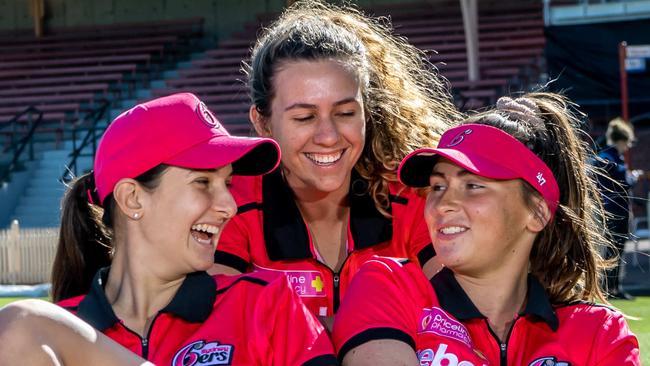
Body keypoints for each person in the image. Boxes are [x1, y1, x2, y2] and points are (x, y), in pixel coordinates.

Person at [0, 93, 337, 366]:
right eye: (203, 182)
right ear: (132, 199)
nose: (230, 206)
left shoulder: (266, 304)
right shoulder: (46, 341)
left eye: (229, 183)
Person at [333, 94, 641, 365]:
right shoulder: (388, 287)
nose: (443, 204)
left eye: (473, 185)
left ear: (536, 212)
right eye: (438, 185)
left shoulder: (598, 332)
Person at [210, 0, 463, 326]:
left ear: (366, 112)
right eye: (304, 117)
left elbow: (459, 318)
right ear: (263, 123)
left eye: (345, 113)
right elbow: (219, 333)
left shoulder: (412, 196)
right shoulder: (230, 204)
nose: (328, 136)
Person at [596, 117, 643, 300]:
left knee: (612, 250)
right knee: (615, 250)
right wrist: (633, 178)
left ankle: (611, 288)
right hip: (616, 211)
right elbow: (623, 184)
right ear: (622, 140)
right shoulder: (613, 159)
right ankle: (611, 289)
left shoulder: (603, 157)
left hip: (608, 210)